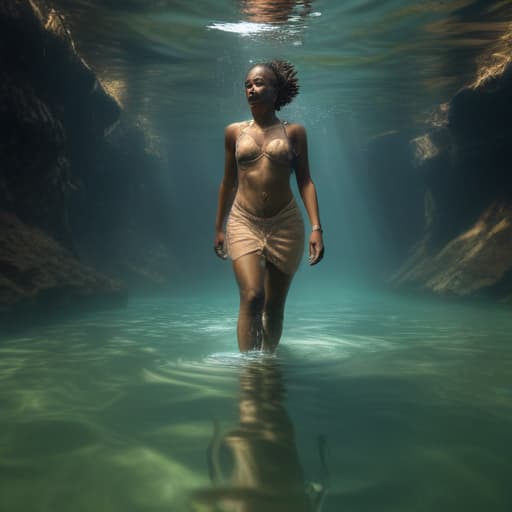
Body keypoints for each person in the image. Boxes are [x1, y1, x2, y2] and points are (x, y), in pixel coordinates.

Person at [214, 59, 324, 352]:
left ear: (276, 91)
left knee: (273, 306)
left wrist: (316, 228)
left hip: (285, 223)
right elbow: (228, 183)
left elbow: (305, 181)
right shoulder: (234, 132)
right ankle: (250, 374)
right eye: (247, 84)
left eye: (258, 83)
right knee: (252, 296)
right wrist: (219, 228)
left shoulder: (295, 132)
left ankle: (267, 363)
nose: (251, 89)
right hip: (243, 220)